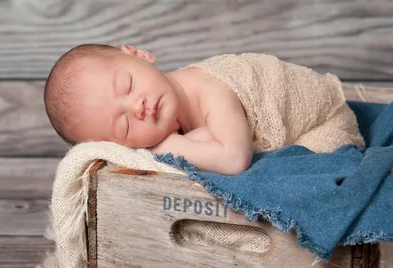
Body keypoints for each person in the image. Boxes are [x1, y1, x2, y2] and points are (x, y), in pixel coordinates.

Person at [44, 44, 365, 175]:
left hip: (327, 120)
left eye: (127, 85)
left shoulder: (210, 88)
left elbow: (235, 159)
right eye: (125, 126)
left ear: (139, 54)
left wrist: (170, 144)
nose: (137, 107)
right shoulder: (176, 112)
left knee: (301, 180)